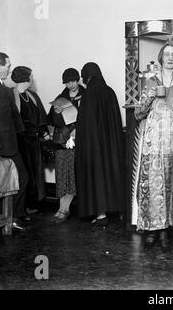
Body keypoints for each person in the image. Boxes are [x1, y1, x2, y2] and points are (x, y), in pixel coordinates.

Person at [134, 44, 173, 252]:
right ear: (160, 58)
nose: (169, 58)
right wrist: (149, 97)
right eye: (166, 54)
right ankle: (152, 229)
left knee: (172, 184)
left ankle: (166, 228)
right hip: (154, 143)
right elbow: (138, 114)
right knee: (153, 185)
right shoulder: (151, 82)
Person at [75, 62, 125, 226]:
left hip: (94, 145)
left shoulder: (89, 94)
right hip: (111, 146)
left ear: (87, 77)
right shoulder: (110, 92)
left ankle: (101, 214)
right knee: (111, 173)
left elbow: (85, 125)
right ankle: (115, 210)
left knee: (97, 175)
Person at [0, 52, 28, 231]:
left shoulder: (1, 87)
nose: (10, 68)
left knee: (5, 183)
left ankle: (10, 218)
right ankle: (12, 218)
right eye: (7, 66)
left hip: (5, 145)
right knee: (20, 178)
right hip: (5, 147)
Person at [47, 68, 85, 223]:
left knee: (73, 175)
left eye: (73, 81)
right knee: (62, 174)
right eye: (67, 82)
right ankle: (61, 208)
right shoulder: (61, 97)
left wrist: (78, 130)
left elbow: (89, 118)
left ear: (78, 80)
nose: (70, 85)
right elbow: (51, 121)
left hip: (79, 141)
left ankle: (64, 209)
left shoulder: (86, 95)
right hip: (63, 143)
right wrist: (57, 112)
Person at [11, 66, 50, 216]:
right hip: (20, 142)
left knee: (35, 174)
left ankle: (30, 205)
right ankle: (21, 208)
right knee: (23, 175)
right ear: (25, 78)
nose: (32, 79)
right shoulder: (11, 95)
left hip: (34, 141)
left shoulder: (32, 95)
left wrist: (44, 132)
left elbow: (40, 117)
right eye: (31, 76)